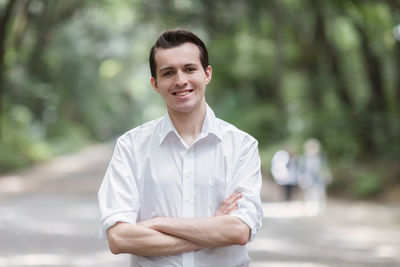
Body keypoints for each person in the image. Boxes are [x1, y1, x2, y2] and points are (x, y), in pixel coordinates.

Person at [98, 28, 263, 267]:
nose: (180, 80)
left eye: (189, 69)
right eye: (168, 73)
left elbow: (238, 231)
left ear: (207, 74)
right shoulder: (131, 146)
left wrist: (157, 223)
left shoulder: (242, 146)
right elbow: (120, 238)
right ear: (155, 83)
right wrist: (212, 226)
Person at [298, 138, 331, 215]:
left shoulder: (322, 157)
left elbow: (326, 167)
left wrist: (327, 174)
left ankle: (320, 207)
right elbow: (301, 169)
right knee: (308, 193)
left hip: (319, 178)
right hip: (308, 178)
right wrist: (301, 178)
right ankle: (309, 208)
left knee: (320, 193)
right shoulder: (304, 158)